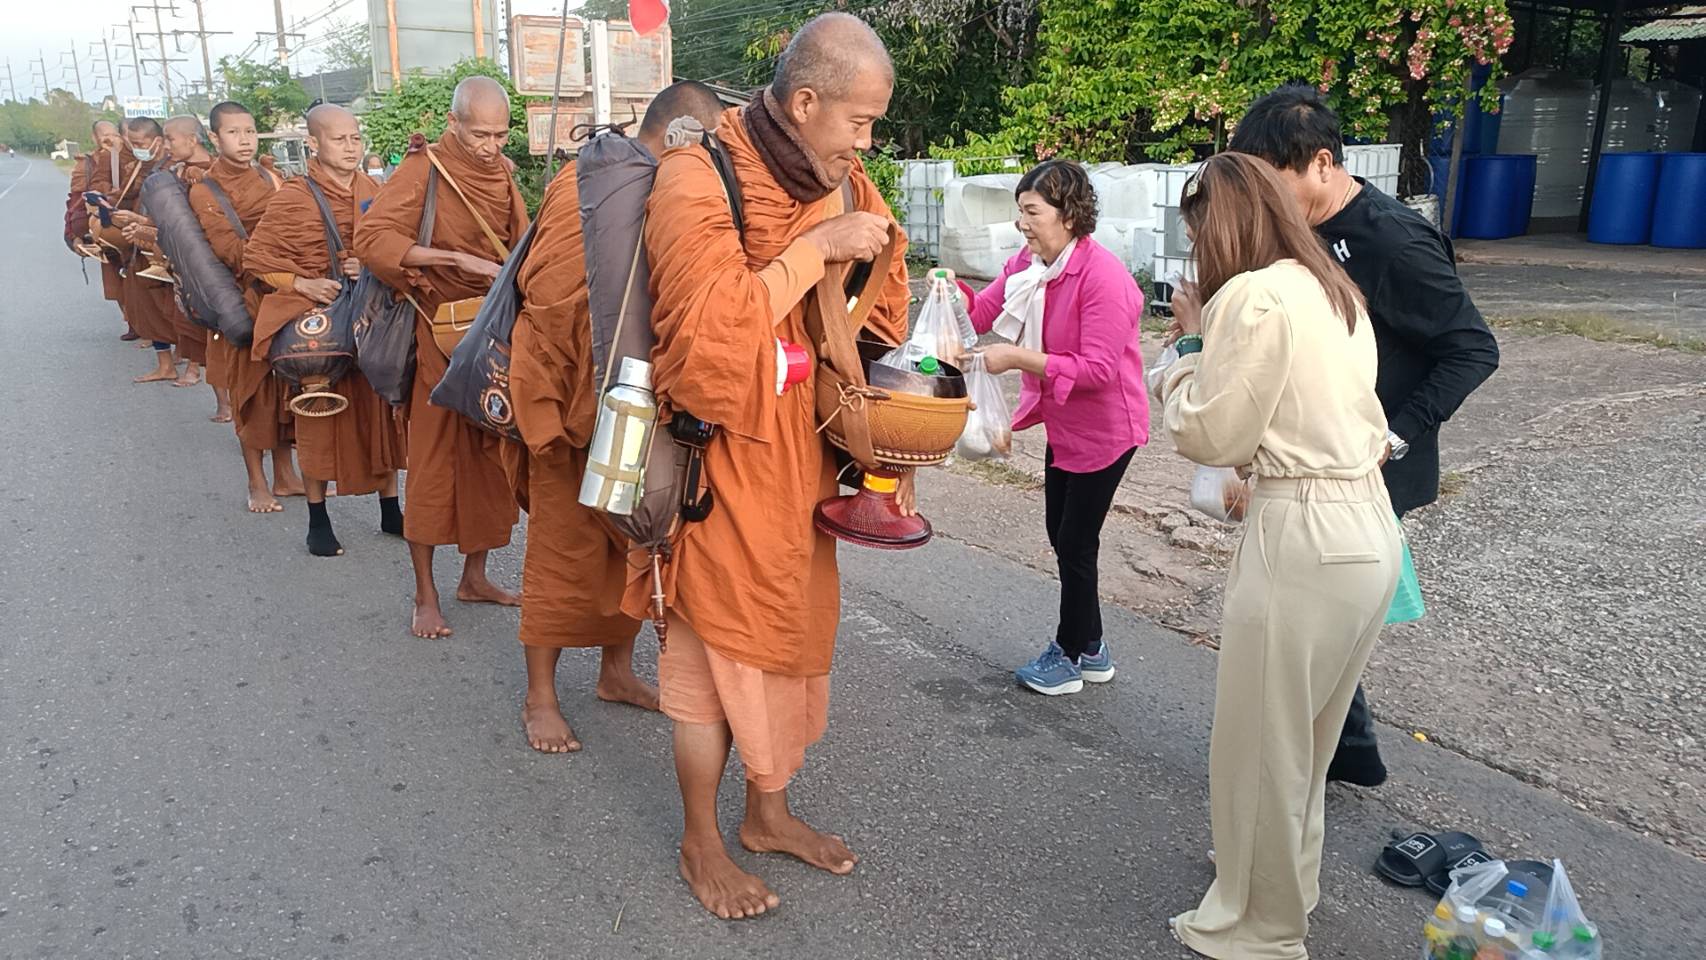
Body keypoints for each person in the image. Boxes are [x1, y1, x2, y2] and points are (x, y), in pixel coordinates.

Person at [637, 12, 908, 919]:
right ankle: (701, 840)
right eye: (859, 123)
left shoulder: (838, 176)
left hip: (800, 461)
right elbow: (708, 342)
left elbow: (881, 293)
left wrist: (862, 263)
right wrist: (812, 252)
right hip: (718, 462)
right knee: (713, 658)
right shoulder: (694, 176)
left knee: (788, 644)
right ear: (803, 102)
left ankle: (768, 813)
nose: (866, 143)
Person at [1157, 152, 1401, 960]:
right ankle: (1284, 886)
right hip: (1367, 525)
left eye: (1198, 232)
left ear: (1219, 226)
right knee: (1309, 739)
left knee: (1264, 744)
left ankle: (1258, 927)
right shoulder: (1333, 289)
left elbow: (1212, 432)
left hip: (1303, 531)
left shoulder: (1256, 296)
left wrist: (1185, 351)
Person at [1229, 85, 1500, 787]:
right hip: (1308, 458)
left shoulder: (1391, 237)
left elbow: (1473, 349)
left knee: (1315, 624)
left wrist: (1395, 437)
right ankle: (1346, 754)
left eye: (1274, 182)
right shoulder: (1301, 232)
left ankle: (1318, 764)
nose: (1264, 200)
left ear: (1321, 163)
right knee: (1315, 622)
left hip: (1366, 465)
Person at [505, 81, 726, 754]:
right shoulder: (584, 188)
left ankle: (616, 671)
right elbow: (544, 296)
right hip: (570, 405)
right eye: (709, 145)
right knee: (560, 555)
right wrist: (590, 381)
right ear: (684, 137)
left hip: (635, 405)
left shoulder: (667, 193)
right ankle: (539, 697)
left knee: (634, 544)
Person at [954, 159, 1149, 696]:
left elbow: (1098, 370)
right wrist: (949, 294)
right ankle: (1092, 646)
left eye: (1032, 211)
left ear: (1068, 213)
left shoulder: (1103, 277)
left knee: (1075, 541)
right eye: (1020, 211)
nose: (1023, 222)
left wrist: (1017, 358)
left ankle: (1068, 655)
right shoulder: (1030, 262)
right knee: (1061, 536)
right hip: (1065, 424)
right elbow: (984, 310)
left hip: (1107, 429)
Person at [354, 76, 527, 639]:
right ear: (453, 123)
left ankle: (474, 577)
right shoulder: (423, 169)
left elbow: (521, 242)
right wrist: (455, 257)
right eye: (480, 133)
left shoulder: (501, 172)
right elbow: (373, 237)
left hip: (492, 337)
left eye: (501, 134)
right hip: (438, 337)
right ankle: (424, 593)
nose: (491, 146)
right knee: (431, 469)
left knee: (489, 466)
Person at [245, 104, 405, 557]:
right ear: (313, 144)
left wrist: (370, 261)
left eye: (355, 138)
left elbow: (394, 246)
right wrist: (301, 282)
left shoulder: (375, 189)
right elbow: (256, 259)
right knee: (318, 418)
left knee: (380, 416)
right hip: (318, 324)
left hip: (368, 317)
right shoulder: (294, 196)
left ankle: (390, 508)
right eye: (339, 139)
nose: (351, 147)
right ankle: (318, 519)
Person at [186, 100, 306, 513]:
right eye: (234, 133)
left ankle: (286, 474)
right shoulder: (205, 189)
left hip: (281, 297)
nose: (244, 140)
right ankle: (257, 483)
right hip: (242, 301)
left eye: (250, 131)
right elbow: (230, 250)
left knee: (285, 388)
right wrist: (282, 260)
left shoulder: (272, 178)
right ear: (215, 139)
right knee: (250, 394)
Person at [128, 115, 215, 390]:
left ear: (192, 140)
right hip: (177, 258)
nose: (167, 145)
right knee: (185, 318)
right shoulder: (175, 170)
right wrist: (144, 226)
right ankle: (185, 367)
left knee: (214, 328)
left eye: (171, 139)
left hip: (207, 260)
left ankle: (206, 380)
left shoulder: (211, 172)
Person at [92, 117, 179, 384]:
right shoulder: (138, 165)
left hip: (167, 248)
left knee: (177, 311)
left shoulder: (174, 168)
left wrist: (143, 223)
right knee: (146, 306)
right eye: (133, 142)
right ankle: (165, 364)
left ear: (158, 141)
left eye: (140, 143)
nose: (136, 147)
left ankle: (189, 366)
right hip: (139, 249)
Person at [69, 120, 131, 337]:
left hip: (131, 223)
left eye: (113, 135)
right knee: (116, 278)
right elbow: (76, 200)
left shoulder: (130, 157)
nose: (109, 140)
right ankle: (133, 324)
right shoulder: (86, 165)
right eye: (104, 136)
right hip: (103, 228)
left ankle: (148, 328)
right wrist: (75, 234)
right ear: (95, 139)